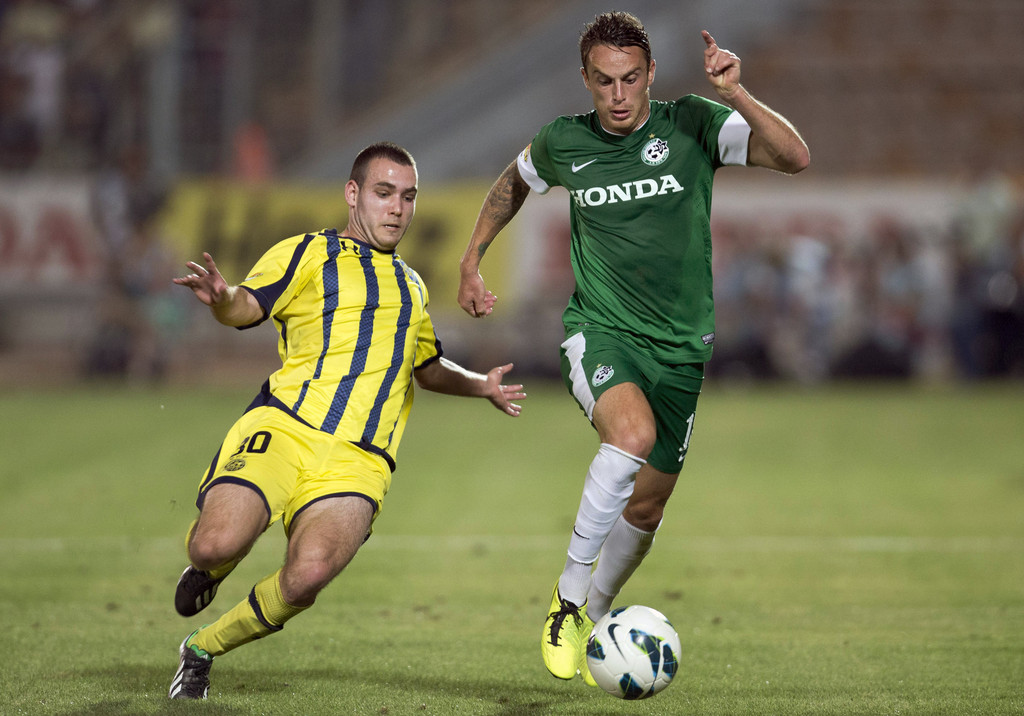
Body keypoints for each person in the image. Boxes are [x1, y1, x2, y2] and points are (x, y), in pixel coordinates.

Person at [457, 12, 809, 685]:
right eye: (603, 81)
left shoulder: (692, 125)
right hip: (602, 331)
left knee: (647, 505)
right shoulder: (565, 141)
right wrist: (474, 256)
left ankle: (595, 609)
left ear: (650, 74)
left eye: (629, 79)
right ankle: (565, 603)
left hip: (681, 347)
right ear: (585, 81)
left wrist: (735, 92)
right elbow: (514, 182)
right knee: (631, 434)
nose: (617, 96)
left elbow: (794, 157)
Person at [168, 141, 526, 700]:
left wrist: (480, 385)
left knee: (307, 576)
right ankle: (211, 572)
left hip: (360, 460)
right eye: (384, 194)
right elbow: (246, 305)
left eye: (408, 197)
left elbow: (425, 367)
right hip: (285, 428)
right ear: (353, 194)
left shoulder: (413, 286)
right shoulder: (306, 253)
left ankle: (200, 650)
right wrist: (221, 299)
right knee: (213, 546)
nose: (398, 209)